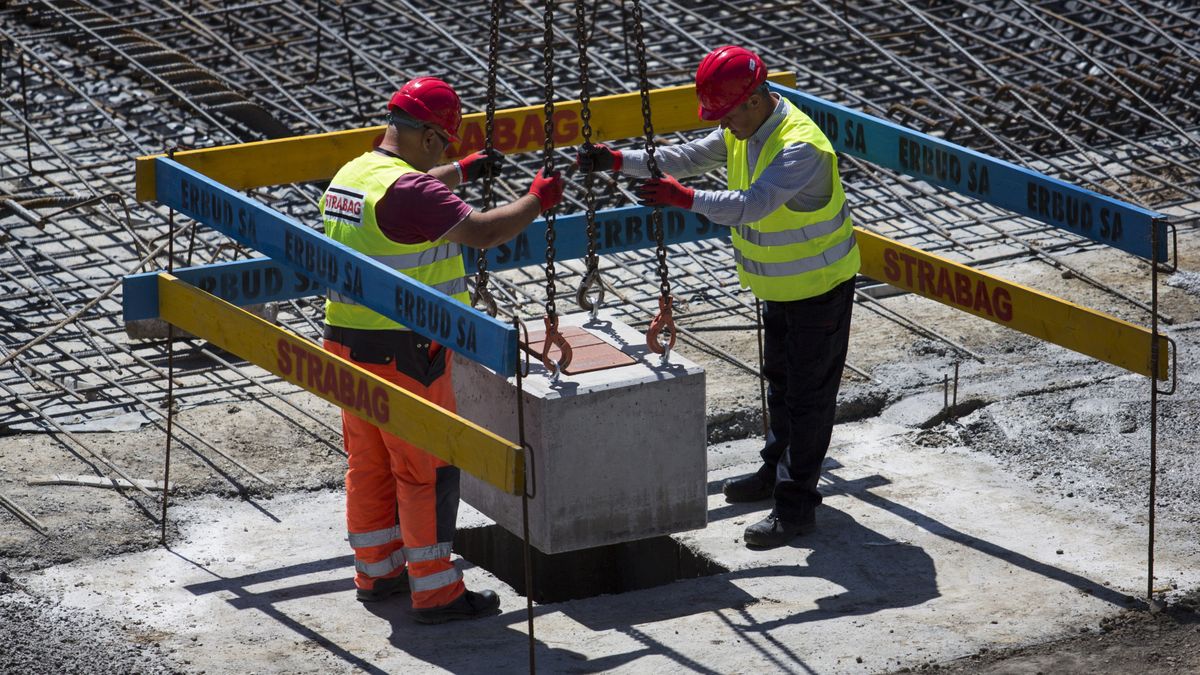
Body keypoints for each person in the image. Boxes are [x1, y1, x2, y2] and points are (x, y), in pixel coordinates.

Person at [576, 46, 859, 549]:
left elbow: (753, 205)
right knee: (781, 386)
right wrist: (619, 160)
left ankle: (795, 509)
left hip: (819, 289)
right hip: (782, 287)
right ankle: (774, 473)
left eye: (726, 114)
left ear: (754, 100)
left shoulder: (799, 147)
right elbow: (686, 157)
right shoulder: (745, 127)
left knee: (808, 399)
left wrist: (684, 198)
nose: (723, 124)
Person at [321, 76, 563, 622]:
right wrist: (536, 200)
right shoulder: (412, 192)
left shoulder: (352, 175)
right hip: (407, 351)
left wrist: (463, 170)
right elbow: (482, 231)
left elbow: (406, 198)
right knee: (425, 468)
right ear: (429, 136)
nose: (443, 153)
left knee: (370, 462)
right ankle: (435, 591)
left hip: (345, 343)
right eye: (444, 145)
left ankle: (378, 571)